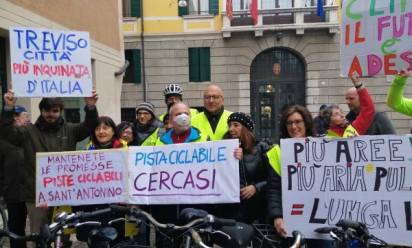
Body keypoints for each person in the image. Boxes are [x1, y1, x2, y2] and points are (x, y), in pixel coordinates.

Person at [0, 90, 99, 234]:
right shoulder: (28, 131)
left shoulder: (70, 130)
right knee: (39, 236)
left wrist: (90, 107)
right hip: (37, 196)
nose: (51, 114)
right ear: (41, 110)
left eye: (55, 111)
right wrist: (8, 108)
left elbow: (90, 126)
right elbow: (7, 133)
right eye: (47, 110)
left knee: (63, 236)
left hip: (64, 194)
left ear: (60, 111)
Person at [266, 105, 330, 247]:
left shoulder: (324, 146)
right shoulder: (278, 151)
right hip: (291, 221)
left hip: (322, 222)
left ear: (306, 123)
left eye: (298, 121)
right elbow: (273, 189)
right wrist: (277, 216)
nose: (293, 126)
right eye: (289, 123)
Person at [219, 112, 270, 224]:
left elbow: (272, 178)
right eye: (229, 125)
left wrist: (256, 187)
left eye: (236, 125)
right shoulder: (222, 148)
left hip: (256, 209)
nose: (231, 129)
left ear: (246, 128)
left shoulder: (262, 148)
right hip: (230, 210)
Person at [0, 105, 29, 248]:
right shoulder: (3, 140)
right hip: (13, 192)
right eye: (13, 116)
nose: (16, 119)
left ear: (27, 118)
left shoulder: (33, 135)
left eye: (19, 115)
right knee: (16, 229)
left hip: (34, 190)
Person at [323, 73, 375, 138]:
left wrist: (358, 84)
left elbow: (368, 110)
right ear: (329, 122)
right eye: (336, 114)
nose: (342, 115)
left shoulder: (353, 129)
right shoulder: (325, 140)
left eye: (341, 112)